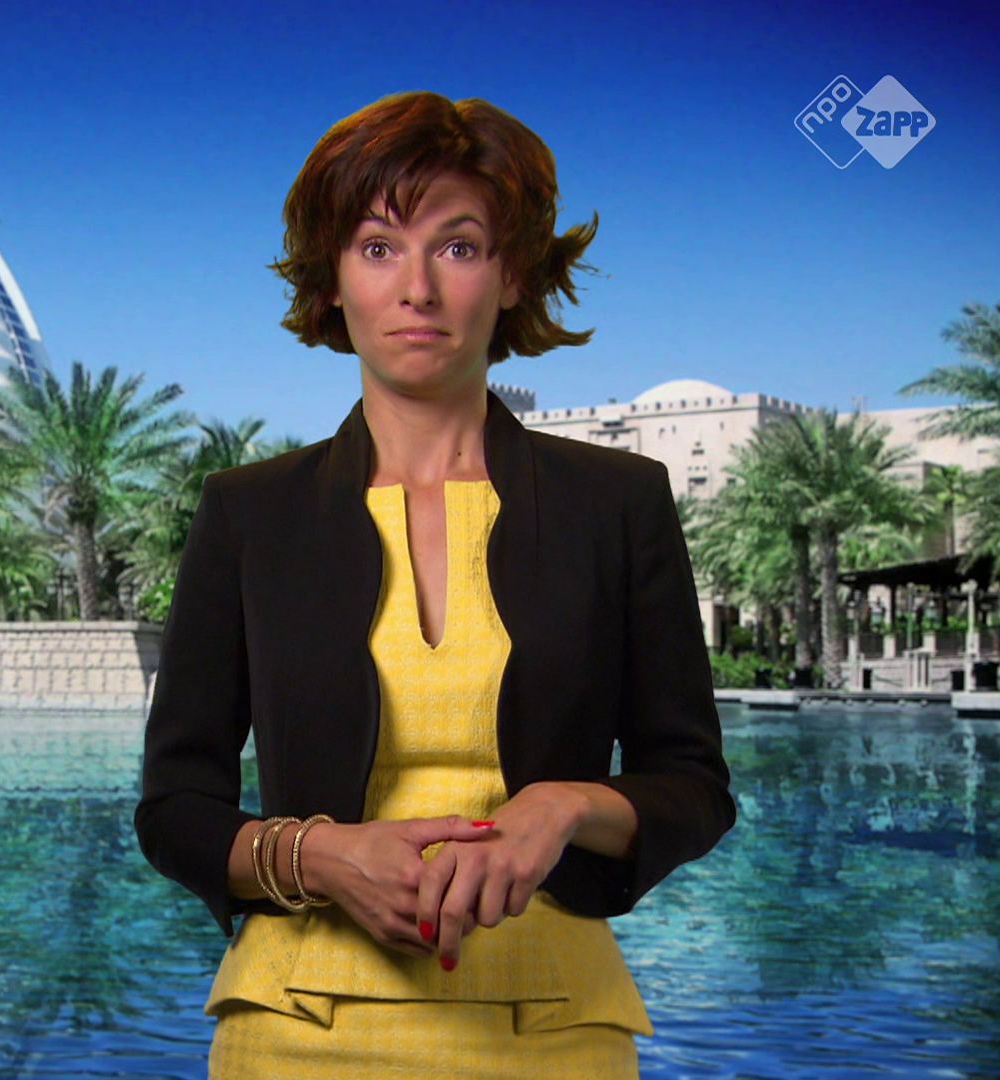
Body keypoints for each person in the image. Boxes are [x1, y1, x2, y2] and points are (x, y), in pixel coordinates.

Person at [134, 91, 737, 1077]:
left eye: (457, 246)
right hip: (295, 1026)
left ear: (512, 275)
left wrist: (564, 808)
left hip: (557, 1025)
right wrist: (318, 856)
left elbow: (695, 787)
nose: (416, 288)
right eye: (378, 248)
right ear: (333, 280)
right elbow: (173, 809)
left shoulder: (619, 502)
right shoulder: (248, 513)